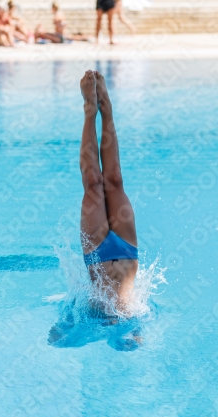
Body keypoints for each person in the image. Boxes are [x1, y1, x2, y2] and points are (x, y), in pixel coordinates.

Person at [79, 70, 138, 313]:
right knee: (114, 179)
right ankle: (107, 108)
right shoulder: (132, 316)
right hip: (127, 250)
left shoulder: (97, 316)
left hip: (97, 254)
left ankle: (90, 109)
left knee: (93, 182)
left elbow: (61, 332)